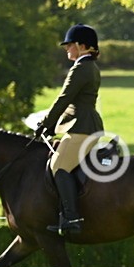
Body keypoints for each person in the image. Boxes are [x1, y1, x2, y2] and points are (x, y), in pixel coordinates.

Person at [35, 24, 103, 235]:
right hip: (82, 125)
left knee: (59, 166)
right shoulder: (89, 66)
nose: (66, 49)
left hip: (82, 127)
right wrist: (52, 127)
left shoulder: (81, 68)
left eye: (69, 45)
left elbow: (63, 99)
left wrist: (44, 124)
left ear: (82, 46)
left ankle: (72, 217)